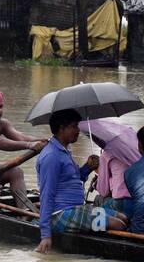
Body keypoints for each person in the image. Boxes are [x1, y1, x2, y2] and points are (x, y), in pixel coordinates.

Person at [35, 108, 122, 253]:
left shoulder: (64, 151)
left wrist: (88, 167)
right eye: (74, 126)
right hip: (61, 214)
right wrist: (45, 235)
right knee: (117, 224)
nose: (78, 131)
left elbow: (74, 178)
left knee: (122, 217)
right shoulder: (51, 157)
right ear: (62, 128)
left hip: (75, 209)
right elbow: (46, 195)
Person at [96, 126, 140, 217]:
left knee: (98, 199)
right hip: (139, 201)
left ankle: (98, 230)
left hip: (121, 202)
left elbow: (103, 191)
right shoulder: (137, 152)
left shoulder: (106, 154)